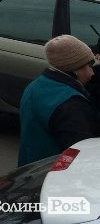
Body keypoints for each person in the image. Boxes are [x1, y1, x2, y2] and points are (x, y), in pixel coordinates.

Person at [18, 34, 100, 166]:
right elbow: (82, 156)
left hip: (30, 169)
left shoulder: (35, 86)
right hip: (53, 174)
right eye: (89, 66)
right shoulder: (72, 104)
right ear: (75, 69)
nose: (92, 73)